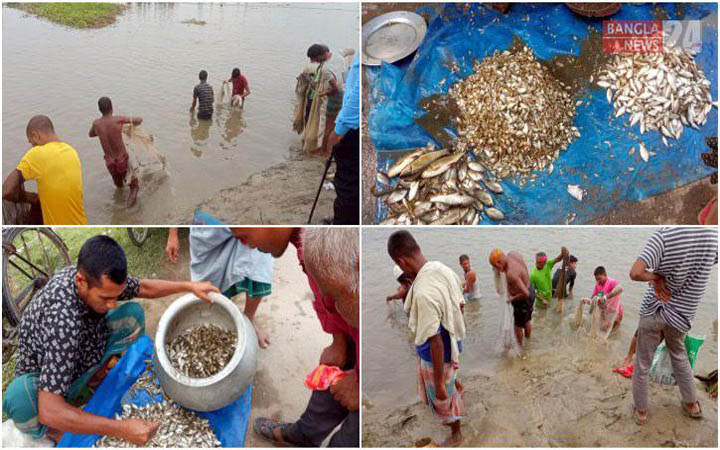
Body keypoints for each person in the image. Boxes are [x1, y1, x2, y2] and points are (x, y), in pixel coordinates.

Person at [2, 235, 219, 444]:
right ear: (80, 282)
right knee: (20, 400)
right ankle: (56, 429)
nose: (112, 304)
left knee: (132, 314)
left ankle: (92, 379)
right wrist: (122, 428)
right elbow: (49, 410)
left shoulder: (93, 278)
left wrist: (189, 287)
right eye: (105, 298)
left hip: (79, 353)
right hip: (46, 375)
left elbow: (143, 287)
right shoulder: (63, 320)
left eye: (116, 295)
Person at [229, 228, 359, 447]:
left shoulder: (334, 250)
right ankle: (302, 436)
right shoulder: (312, 244)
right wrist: (338, 340)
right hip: (350, 334)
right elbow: (326, 298)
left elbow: (359, 307)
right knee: (328, 384)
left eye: (244, 236)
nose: (247, 246)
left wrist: (358, 379)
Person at [629, 227, 717, 425]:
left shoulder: (665, 234)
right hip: (682, 315)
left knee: (643, 363)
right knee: (680, 356)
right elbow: (711, 260)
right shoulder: (713, 235)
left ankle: (641, 411)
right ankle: (691, 405)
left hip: (654, 311)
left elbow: (635, 273)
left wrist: (656, 278)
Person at [387, 231, 465, 446]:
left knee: (444, 398)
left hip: (439, 353)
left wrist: (439, 383)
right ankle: (453, 387)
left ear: (401, 261)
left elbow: (435, 340)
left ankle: (456, 434)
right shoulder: (443, 269)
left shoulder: (422, 292)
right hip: (454, 344)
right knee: (449, 385)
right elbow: (460, 305)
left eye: (399, 266)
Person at [165, 228, 274, 348]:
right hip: (209, 230)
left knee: (257, 264)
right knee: (206, 287)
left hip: (247, 227)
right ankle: (214, 322)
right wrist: (173, 234)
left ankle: (248, 321)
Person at [2, 115, 87, 225]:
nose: (32, 146)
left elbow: (6, 190)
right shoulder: (72, 152)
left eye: (31, 142)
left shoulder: (37, 153)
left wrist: (33, 198)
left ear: (35, 136)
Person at [324, 53, 359, 225]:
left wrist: (337, 131)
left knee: (347, 181)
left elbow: (355, 99)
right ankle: (345, 217)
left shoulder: (360, 60)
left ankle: (343, 221)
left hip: (351, 128)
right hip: (353, 123)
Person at [89, 97, 143, 208]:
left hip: (109, 162)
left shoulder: (96, 124)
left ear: (100, 110)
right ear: (112, 108)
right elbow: (139, 120)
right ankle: (126, 211)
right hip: (122, 159)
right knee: (134, 187)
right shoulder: (118, 120)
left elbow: (91, 134)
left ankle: (118, 208)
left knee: (119, 186)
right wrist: (128, 125)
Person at [489, 248, 533, 347]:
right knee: (527, 320)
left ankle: (520, 349)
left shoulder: (510, 274)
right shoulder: (513, 254)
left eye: (495, 267)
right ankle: (529, 342)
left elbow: (525, 293)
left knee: (517, 326)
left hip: (523, 298)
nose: (496, 269)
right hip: (531, 288)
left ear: (498, 262)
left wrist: (512, 298)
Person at [588, 266, 624, 332]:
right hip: (605, 312)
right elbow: (594, 296)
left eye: (599, 279)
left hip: (615, 313)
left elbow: (620, 288)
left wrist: (606, 297)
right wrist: (589, 301)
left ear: (605, 275)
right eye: (596, 279)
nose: (598, 281)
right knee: (602, 330)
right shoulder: (598, 285)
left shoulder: (611, 282)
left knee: (613, 331)